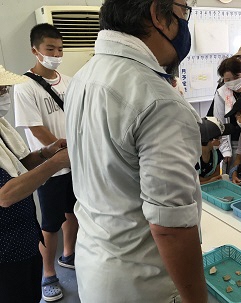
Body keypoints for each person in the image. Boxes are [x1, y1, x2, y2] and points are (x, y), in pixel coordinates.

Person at [64, 1, 208, 302]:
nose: (185, 23)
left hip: (95, 263)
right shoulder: (158, 100)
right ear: (158, 14)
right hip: (144, 282)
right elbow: (170, 228)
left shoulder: (84, 76)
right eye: (183, 12)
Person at [13, 23, 78, 301]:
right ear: (35, 50)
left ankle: (69, 255)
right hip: (48, 169)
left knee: (74, 212)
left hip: (76, 164)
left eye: (60, 49)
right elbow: (34, 128)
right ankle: (48, 274)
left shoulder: (70, 81)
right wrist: (61, 152)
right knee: (50, 223)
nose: (56, 54)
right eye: (50, 48)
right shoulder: (24, 86)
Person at [0, 65, 70, 303]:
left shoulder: (2, 127)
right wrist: (55, 163)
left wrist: (47, 153)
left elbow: (21, 162)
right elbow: (5, 196)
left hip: (25, 236)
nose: (5, 95)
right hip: (5, 249)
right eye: (0, 90)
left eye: (5, 89)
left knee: (28, 291)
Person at [197, 117, 233, 184]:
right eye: (220, 138)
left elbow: (217, 173)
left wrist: (203, 180)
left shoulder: (216, 153)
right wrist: (209, 181)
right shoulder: (194, 157)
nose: (221, 140)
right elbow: (192, 182)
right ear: (212, 140)